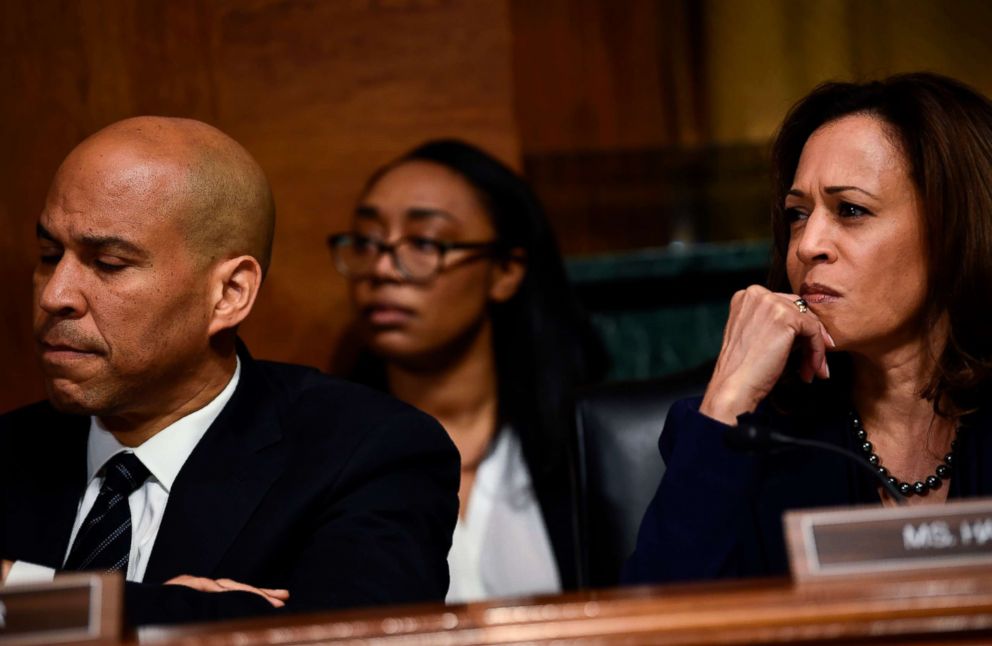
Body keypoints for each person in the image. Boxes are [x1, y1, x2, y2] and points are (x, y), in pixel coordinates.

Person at [0, 117, 459, 626]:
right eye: (48, 255)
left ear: (229, 293)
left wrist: (12, 593)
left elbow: (341, 639)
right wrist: (190, 615)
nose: (54, 295)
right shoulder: (9, 451)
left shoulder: (366, 452)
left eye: (108, 263)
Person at [624, 72, 992, 584]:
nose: (808, 244)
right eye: (798, 214)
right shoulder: (754, 435)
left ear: (956, 227)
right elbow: (654, 626)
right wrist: (728, 400)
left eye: (851, 210)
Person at [328, 139, 608, 601]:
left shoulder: (585, 446)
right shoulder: (328, 455)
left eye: (423, 242)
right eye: (366, 241)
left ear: (505, 271)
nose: (381, 268)